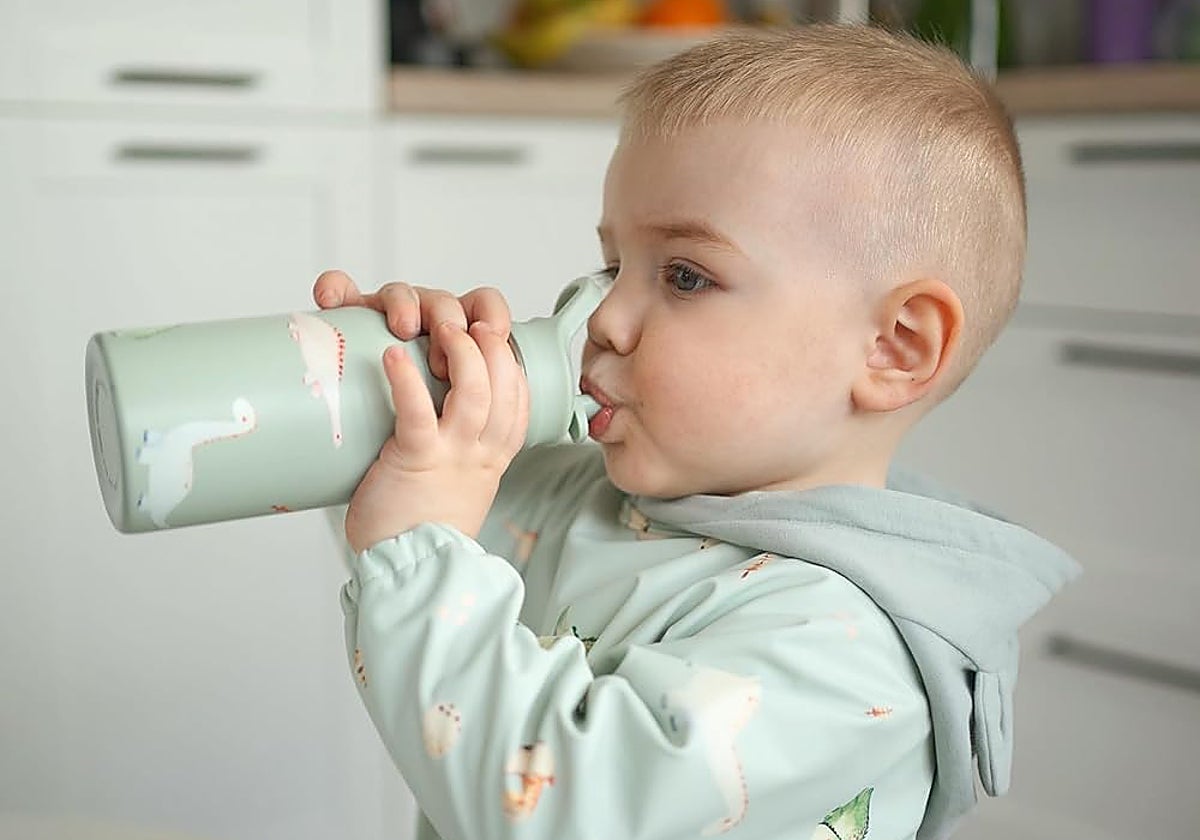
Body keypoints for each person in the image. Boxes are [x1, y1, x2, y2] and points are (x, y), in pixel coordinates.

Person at [314, 24, 1079, 840]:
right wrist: (397, 392)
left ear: (896, 346)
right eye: (613, 267)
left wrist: (418, 540)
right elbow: (400, 513)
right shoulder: (595, 493)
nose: (604, 318)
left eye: (684, 275)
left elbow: (563, 807)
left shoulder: (844, 652)